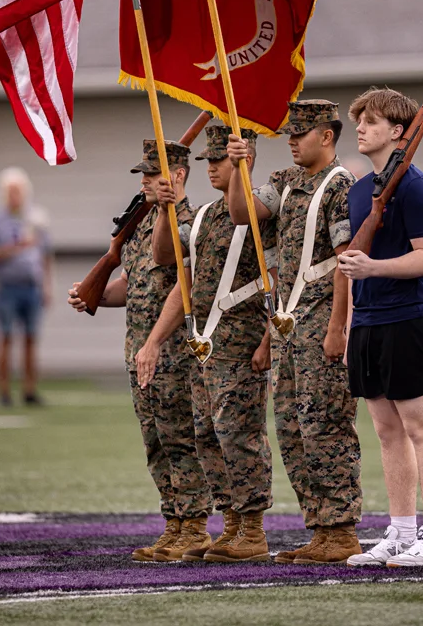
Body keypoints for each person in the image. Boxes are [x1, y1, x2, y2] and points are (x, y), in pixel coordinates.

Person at [227, 100, 363, 565]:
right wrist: (244, 167)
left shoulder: (340, 186)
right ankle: (320, 528)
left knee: (325, 425)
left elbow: (345, 262)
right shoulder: (285, 182)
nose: (291, 140)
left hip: (320, 324)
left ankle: (341, 530)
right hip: (288, 328)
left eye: (300, 133)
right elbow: (243, 212)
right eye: (289, 132)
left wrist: (337, 327)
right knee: (291, 429)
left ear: (327, 136)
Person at [136, 125, 275, 563]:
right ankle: (231, 524)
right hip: (206, 347)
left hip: (243, 341)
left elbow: (282, 276)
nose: (212, 168)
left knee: (240, 435)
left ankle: (252, 529)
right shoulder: (204, 217)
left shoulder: (260, 211)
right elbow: (168, 263)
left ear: (243, 159)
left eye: (221, 160)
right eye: (209, 162)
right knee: (207, 437)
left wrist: (270, 339)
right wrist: (165, 209)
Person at [68, 140, 212, 563]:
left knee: (182, 440)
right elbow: (134, 285)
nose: (146, 180)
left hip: (174, 354)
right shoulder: (142, 223)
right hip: (138, 350)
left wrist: (153, 343)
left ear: (180, 175)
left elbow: (184, 289)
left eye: (153, 173)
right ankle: (174, 525)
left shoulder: (191, 222)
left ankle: (195, 526)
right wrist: (93, 296)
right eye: (144, 174)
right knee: (156, 444)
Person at [339, 87, 423, 568]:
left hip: (410, 320)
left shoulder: (416, 187)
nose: (361, 127)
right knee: (387, 433)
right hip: (368, 324)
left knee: (422, 428)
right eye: (359, 120)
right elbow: (351, 265)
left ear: (399, 131)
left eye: (372, 120)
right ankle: (403, 533)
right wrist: (347, 329)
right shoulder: (360, 190)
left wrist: (374, 269)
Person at [0, 168, 53, 406]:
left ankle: (29, 390)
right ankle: (3, 391)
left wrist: (46, 285)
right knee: (6, 337)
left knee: (31, 338)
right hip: (7, 286)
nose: (15, 196)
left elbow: (45, 255)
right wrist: (16, 247)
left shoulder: (36, 217)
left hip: (31, 285)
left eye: (18, 191)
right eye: (11, 191)